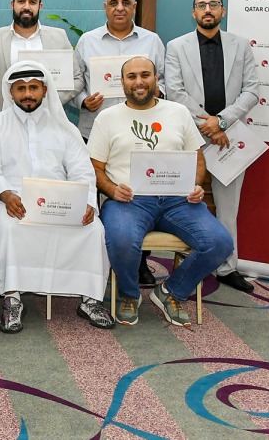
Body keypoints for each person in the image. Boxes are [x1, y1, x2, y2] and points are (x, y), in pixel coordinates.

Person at [88, 57, 233, 328]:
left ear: (156, 79)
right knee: (120, 239)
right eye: (132, 77)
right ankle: (130, 294)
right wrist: (111, 189)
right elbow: (94, 167)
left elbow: (197, 158)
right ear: (122, 83)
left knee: (220, 242)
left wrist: (196, 185)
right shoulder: (107, 118)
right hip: (129, 201)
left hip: (178, 200)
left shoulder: (177, 112)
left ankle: (171, 291)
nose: (139, 82)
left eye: (145, 75)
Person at [0, 61, 112, 333]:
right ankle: (13, 298)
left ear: (44, 90)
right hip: (11, 199)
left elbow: (82, 171)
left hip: (59, 198)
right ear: (11, 92)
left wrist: (88, 202)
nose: (27, 94)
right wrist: (6, 194)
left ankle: (89, 298)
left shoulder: (65, 128)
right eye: (21, 88)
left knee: (93, 229)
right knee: (8, 227)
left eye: (33, 87)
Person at [165, 0, 260, 293]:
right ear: (193, 13)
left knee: (228, 206)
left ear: (223, 11)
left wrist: (222, 121)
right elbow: (175, 93)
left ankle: (227, 267)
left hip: (229, 137)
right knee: (184, 202)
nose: (208, 9)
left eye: (213, 5)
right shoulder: (176, 46)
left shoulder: (241, 46)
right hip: (190, 136)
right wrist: (208, 125)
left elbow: (252, 91)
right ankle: (185, 265)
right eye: (201, 5)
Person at [73, 0, 166, 288]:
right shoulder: (87, 41)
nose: (120, 8)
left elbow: (163, 82)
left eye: (126, 2)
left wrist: (155, 92)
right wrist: (83, 101)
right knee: (95, 195)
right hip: (96, 131)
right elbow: (75, 83)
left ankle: (138, 262)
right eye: (113, 2)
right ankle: (96, 262)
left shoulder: (152, 41)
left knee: (139, 194)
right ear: (105, 7)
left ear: (135, 6)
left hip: (141, 135)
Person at [0, 0, 83, 119]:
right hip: (3, 121)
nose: (26, 7)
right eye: (21, 1)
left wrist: (48, 100)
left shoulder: (59, 37)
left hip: (47, 120)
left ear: (40, 6)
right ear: (12, 4)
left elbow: (77, 79)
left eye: (32, 2)